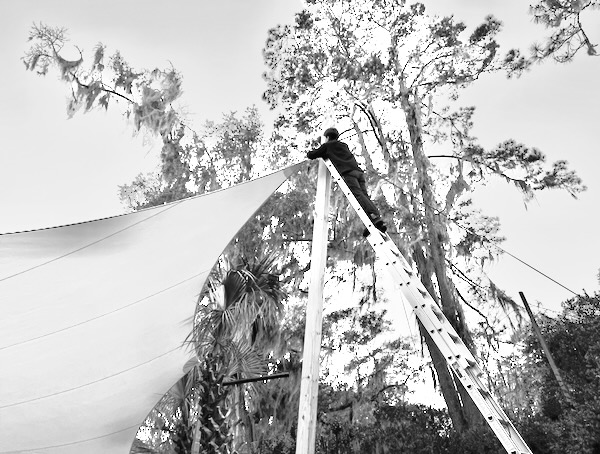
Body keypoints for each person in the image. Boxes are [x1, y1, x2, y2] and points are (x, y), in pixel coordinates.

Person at [307, 127, 387, 236]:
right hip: (359, 173)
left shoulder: (327, 146)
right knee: (364, 196)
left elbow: (312, 155)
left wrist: (315, 149)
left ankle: (374, 216)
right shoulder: (343, 145)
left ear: (327, 137)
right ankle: (372, 221)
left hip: (348, 173)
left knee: (358, 196)